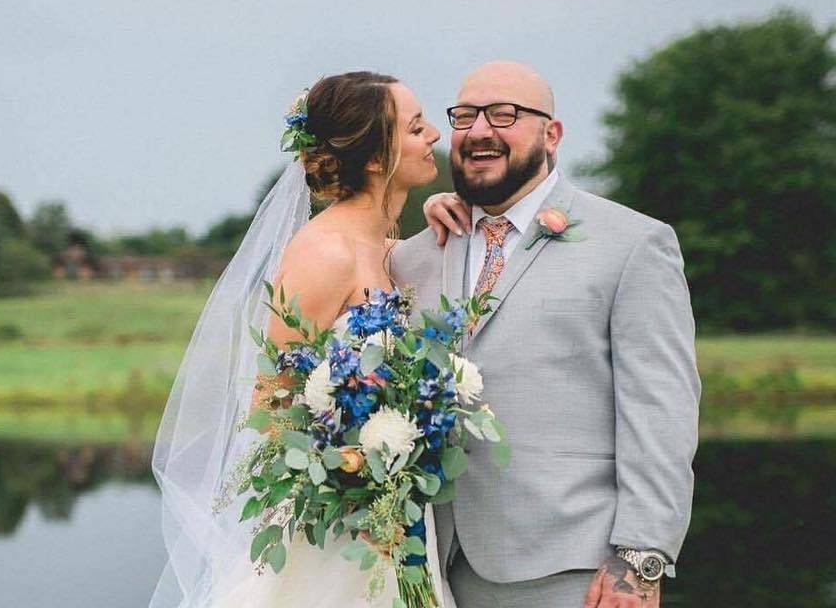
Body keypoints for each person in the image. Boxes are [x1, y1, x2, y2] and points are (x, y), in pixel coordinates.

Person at [396, 61, 701, 607]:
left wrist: (641, 559)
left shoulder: (633, 244)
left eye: (505, 114)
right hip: (431, 569)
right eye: (465, 117)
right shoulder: (416, 254)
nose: (481, 131)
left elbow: (661, 412)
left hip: (574, 570)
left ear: (551, 134)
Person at [150, 71, 459, 608]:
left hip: (400, 520)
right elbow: (272, 409)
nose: (435, 134)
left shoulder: (393, 248)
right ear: (374, 158)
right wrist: (352, 488)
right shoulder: (324, 252)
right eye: (415, 127)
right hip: (337, 535)